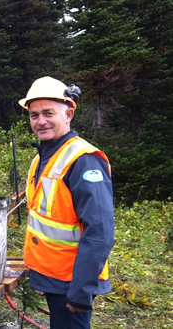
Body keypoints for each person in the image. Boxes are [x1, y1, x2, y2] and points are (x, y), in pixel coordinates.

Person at [19, 76, 115, 328]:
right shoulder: (44, 156)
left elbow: (100, 232)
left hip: (73, 281)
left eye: (48, 113)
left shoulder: (83, 159)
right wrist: (42, 277)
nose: (40, 121)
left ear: (69, 113)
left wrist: (81, 291)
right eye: (34, 115)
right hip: (55, 277)